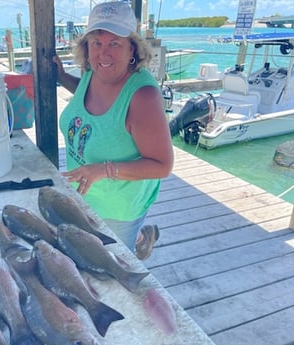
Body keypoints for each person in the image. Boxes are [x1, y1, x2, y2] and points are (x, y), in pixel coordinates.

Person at [53, 1, 173, 260]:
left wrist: (103, 170)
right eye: (96, 43)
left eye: (114, 43)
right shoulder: (92, 71)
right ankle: (143, 235)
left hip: (119, 208)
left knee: (111, 266)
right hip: (83, 196)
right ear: (86, 47)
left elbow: (162, 165)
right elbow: (89, 97)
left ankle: (138, 235)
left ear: (132, 47)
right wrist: (61, 76)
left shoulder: (143, 96)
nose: (104, 54)